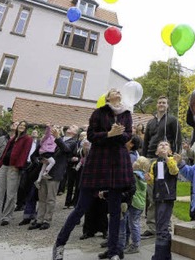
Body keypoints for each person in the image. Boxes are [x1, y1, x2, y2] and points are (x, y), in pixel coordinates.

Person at [53, 88, 134, 260]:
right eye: (114, 90)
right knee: (81, 207)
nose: (117, 91)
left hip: (118, 162)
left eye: (119, 90)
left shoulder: (126, 113)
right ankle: (59, 244)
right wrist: (109, 134)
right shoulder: (98, 112)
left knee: (114, 211)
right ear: (108, 97)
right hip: (98, 161)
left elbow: (128, 135)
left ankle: (113, 252)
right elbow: (90, 135)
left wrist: (118, 134)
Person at [141, 96, 182, 239]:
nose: (161, 105)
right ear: (156, 105)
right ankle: (152, 226)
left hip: (166, 160)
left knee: (164, 192)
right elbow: (146, 141)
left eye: (164, 103)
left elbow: (178, 139)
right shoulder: (151, 122)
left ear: (167, 105)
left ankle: (166, 225)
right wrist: (144, 157)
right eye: (159, 102)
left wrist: (174, 156)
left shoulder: (172, 120)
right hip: (151, 158)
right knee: (151, 193)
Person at [0, 120, 32, 227]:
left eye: (24, 125)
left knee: (11, 194)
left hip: (14, 167)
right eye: (20, 125)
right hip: (3, 166)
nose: (21, 127)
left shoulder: (27, 139)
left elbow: (25, 154)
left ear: (26, 128)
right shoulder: (12, 138)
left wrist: (18, 166)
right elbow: (5, 152)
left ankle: (6, 217)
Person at [28, 125, 72, 231]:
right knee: (42, 198)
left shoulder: (69, 142)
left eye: (57, 127)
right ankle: (39, 220)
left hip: (55, 174)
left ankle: (47, 220)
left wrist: (57, 138)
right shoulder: (46, 140)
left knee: (50, 199)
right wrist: (40, 159)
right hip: (43, 173)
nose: (54, 128)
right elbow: (34, 155)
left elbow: (66, 150)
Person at [147, 140, 180, 260]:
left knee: (162, 227)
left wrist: (167, 158)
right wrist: (148, 178)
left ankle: (160, 256)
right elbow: (152, 179)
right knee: (160, 225)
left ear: (170, 151)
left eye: (166, 145)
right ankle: (163, 255)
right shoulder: (155, 163)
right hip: (158, 197)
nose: (163, 146)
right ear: (156, 151)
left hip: (167, 197)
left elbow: (174, 171)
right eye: (160, 145)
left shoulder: (171, 161)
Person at [121, 156, 150, 255]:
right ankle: (134, 243)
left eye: (136, 161)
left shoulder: (134, 175)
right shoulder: (144, 176)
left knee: (133, 224)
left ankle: (135, 245)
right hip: (140, 204)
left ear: (138, 165)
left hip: (134, 202)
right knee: (134, 223)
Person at [34, 125, 57, 189]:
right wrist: (49, 127)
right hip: (46, 152)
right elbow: (47, 133)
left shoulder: (53, 137)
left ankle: (38, 181)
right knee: (53, 162)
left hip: (48, 152)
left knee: (43, 167)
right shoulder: (47, 136)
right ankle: (45, 174)